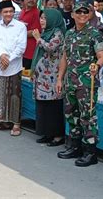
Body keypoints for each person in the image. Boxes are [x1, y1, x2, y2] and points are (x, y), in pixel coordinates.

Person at [56, 2, 103, 167]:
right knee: (71, 114)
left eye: (86, 12)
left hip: (86, 82)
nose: (82, 15)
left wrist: (97, 65)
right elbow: (65, 57)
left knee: (88, 116)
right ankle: (74, 146)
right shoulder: (69, 34)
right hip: (70, 81)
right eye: (79, 12)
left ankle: (90, 152)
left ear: (90, 14)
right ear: (73, 14)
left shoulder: (95, 34)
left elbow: (102, 56)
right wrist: (59, 78)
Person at [0, 0, 27, 136]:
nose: (8, 14)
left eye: (11, 11)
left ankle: (16, 124)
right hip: (0, 65)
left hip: (14, 66)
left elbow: (21, 47)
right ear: (0, 13)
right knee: (0, 94)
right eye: (5, 12)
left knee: (14, 95)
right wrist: (1, 56)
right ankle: (2, 121)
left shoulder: (20, 27)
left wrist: (8, 59)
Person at [31, 9, 66, 146]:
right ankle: (46, 133)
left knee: (53, 107)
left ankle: (57, 135)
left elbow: (51, 48)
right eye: (41, 18)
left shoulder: (57, 33)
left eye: (45, 18)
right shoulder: (46, 32)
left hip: (52, 76)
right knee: (43, 106)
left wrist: (38, 39)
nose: (42, 21)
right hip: (42, 77)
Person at [19, 0, 42, 69]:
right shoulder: (22, 11)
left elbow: (35, 32)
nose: (31, 0)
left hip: (30, 52)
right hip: (21, 50)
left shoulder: (37, 13)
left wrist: (17, 33)